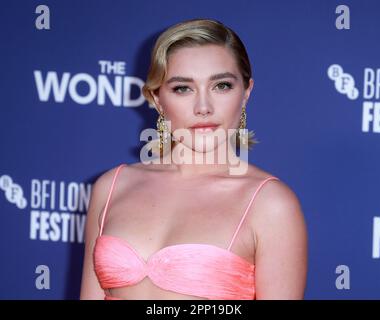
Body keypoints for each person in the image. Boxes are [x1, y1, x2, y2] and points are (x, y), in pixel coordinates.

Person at [80, 18, 307, 300]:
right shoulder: (112, 186)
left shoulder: (271, 204)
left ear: (246, 93)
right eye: (182, 88)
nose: (203, 107)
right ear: (158, 99)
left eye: (221, 85)